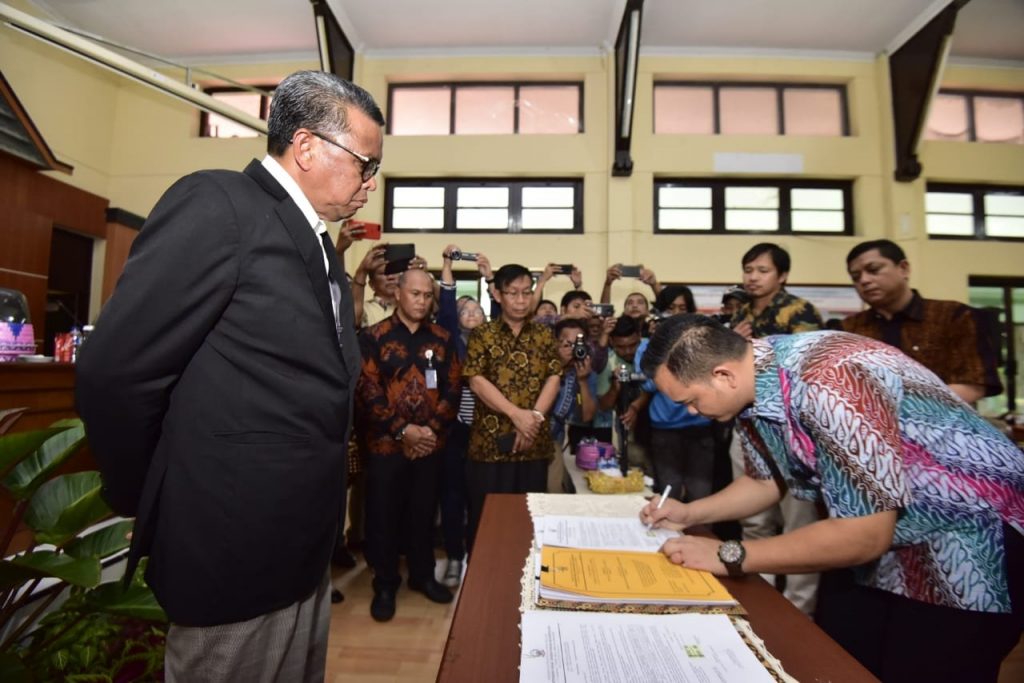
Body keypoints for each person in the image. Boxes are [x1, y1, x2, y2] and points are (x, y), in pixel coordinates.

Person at [75, 70, 382, 681]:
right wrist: (154, 493)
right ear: (306, 147)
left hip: (299, 547)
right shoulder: (220, 205)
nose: (371, 182)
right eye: (365, 164)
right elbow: (116, 374)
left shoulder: (318, 244)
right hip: (232, 547)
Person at [640, 314, 1024, 683]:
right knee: (842, 661)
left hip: (972, 541)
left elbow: (864, 535)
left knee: (925, 668)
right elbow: (766, 482)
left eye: (690, 400)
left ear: (723, 375)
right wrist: (688, 512)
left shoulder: (831, 380)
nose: (692, 412)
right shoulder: (755, 384)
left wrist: (730, 554)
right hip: (889, 543)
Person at [356, 269, 462, 622]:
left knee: (423, 512)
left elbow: (454, 387)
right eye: (415, 293)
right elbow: (367, 390)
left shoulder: (443, 338)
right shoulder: (373, 336)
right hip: (386, 445)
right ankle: (385, 584)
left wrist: (429, 431)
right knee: (383, 515)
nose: (421, 300)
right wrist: (404, 432)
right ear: (398, 294)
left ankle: (422, 575)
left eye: (427, 295)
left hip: (430, 444)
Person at [729, 242, 823, 614]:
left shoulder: (800, 311)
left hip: (790, 427)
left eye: (762, 270)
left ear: (782, 275)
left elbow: (806, 367)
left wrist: (754, 348)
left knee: (799, 523)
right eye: (748, 269)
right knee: (754, 521)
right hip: (747, 422)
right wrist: (735, 344)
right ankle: (760, 601)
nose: (752, 277)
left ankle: (799, 608)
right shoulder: (739, 312)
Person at [463, 264, 562, 549]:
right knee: (487, 524)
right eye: (513, 293)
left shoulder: (544, 335)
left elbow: (554, 377)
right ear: (497, 294)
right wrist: (516, 415)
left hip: (533, 445)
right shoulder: (483, 334)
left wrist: (533, 419)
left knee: (528, 525)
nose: (521, 300)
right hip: (490, 447)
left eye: (526, 293)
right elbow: (476, 381)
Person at [842, 238, 1001, 403]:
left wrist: (906, 410)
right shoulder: (848, 330)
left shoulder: (954, 316)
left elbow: (973, 384)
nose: (864, 280)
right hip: (867, 418)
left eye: (873, 269)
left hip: (943, 417)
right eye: (855, 277)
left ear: (904, 269)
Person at [435, 245, 492, 587]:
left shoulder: (493, 341)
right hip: (456, 431)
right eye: (463, 309)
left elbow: (504, 309)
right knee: (453, 497)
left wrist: (489, 277)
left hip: (487, 430)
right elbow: (445, 305)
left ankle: (480, 557)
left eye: (476, 309)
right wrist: (446, 264)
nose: (470, 312)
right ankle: (455, 557)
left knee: (482, 497)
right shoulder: (449, 339)